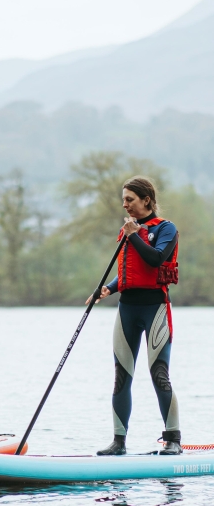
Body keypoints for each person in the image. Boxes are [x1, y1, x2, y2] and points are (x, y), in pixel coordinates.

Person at [87, 176, 182, 456]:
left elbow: (155, 260)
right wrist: (108, 288)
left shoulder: (166, 228)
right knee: (121, 377)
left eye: (130, 199)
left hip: (155, 309)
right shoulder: (130, 229)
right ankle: (118, 442)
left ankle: (173, 439)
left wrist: (133, 235)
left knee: (159, 375)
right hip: (126, 310)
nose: (124, 204)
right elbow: (130, 271)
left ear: (146, 200)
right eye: (123, 199)